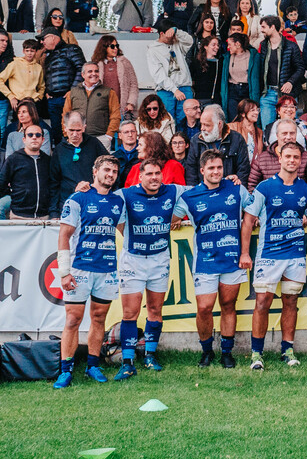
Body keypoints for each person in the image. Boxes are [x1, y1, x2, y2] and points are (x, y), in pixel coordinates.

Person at [242, 140, 307, 371]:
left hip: (296, 254)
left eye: (296, 157)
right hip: (269, 253)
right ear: (279, 158)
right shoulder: (264, 188)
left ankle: (287, 349)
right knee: (262, 303)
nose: (291, 160)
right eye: (287, 156)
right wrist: (245, 253)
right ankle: (256, 353)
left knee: (290, 302)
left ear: (301, 160)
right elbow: (248, 221)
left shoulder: (306, 190)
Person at [172, 149, 250, 368]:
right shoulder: (189, 196)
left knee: (228, 305)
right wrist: (174, 221)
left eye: (219, 168)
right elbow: (171, 218)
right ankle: (206, 351)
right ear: (202, 170)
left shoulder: (236, 189)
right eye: (212, 168)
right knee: (205, 308)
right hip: (205, 261)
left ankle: (227, 352)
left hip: (232, 260)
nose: (216, 172)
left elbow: (254, 212)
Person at [109, 156, 185, 379]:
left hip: (160, 259)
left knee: (155, 310)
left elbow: (203, 188)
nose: (154, 178)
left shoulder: (173, 191)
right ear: (140, 177)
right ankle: (127, 360)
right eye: (149, 174)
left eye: (157, 173)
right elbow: (102, 196)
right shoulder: (126, 194)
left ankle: (150, 356)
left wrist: (231, 181)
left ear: (162, 175)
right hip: (133, 260)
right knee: (130, 313)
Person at [53, 155, 124, 388]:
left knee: (99, 318)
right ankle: (66, 370)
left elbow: (126, 232)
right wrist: (64, 272)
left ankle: (93, 365)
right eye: (106, 170)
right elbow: (64, 235)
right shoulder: (78, 198)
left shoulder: (118, 202)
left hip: (107, 270)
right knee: (73, 319)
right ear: (95, 171)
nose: (110, 174)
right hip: (80, 268)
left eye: (114, 171)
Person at [0, 120, 52, 221]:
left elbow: (54, 188)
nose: (34, 137)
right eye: (30, 135)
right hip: (19, 217)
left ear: (43, 139)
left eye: (38, 135)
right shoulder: (14, 159)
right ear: (24, 139)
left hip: (44, 217)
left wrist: (54, 213)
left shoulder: (48, 161)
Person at [49, 111, 107, 218]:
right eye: (71, 130)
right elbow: (54, 182)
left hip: (93, 202)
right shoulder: (59, 150)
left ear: (84, 128)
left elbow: (109, 167)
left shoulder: (94, 143)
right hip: (67, 203)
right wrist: (53, 212)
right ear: (65, 128)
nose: (75, 134)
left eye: (78, 130)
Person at [39, 28, 86, 145]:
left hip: (68, 98)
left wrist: (72, 91)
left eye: (44, 38)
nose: (42, 42)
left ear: (53, 37)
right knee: (57, 132)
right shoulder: (48, 56)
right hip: (52, 100)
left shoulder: (72, 49)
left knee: (72, 130)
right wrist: (47, 91)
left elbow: (81, 68)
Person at [184, 104, 250, 185]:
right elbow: (191, 172)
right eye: (201, 124)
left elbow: (243, 170)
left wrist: (237, 190)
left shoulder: (237, 139)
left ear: (219, 124)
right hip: (204, 192)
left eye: (207, 125)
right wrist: (196, 193)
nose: (202, 128)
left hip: (229, 191)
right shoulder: (195, 140)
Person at [146, 20, 195, 126]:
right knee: (167, 122)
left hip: (184, 87)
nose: (173, 38)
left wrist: (176, 31)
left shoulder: (177, 42)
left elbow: (190, 41)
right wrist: (174, 90)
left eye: (174, 35)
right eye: (169, 35)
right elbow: (158, 75)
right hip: (166, 91)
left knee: (187, 121)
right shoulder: (152, 50)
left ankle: (184, 142)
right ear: (161, 34)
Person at [61, 63, 120, 147]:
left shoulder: (109, 92)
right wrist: (67, 134)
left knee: (101, 160)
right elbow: (65, 115)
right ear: (83, 75)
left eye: (96, 71)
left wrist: (109, 135)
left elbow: (115, 115)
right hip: (77, 138)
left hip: (101, 138)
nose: (94, 74)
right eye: (90, 71)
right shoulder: (72, 93)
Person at [92, 35, 138, 120]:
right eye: (112, 46)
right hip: (102, 108)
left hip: (121, 108)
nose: (115, 48)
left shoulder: (124, 62)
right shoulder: (96, 64)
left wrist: (131, 103)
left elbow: (133, 84)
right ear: (104, 47)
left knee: (120, 132)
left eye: (117, 45)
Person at [217, 35, 258, 124]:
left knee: (248, 119)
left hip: (247, 90)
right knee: (233, 119)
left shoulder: (253, 56)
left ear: (238, 44)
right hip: (233, 90)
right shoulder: (227, 57)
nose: (228, 47)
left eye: (230, 44)